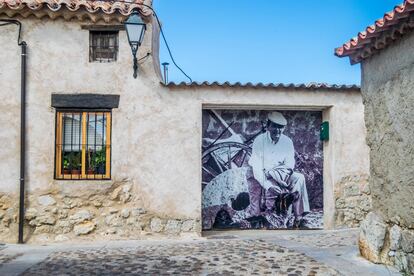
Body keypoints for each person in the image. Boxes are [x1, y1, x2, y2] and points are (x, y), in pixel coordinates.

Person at [247, 111, 310, 227]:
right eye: (274, 126)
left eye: (281, 127)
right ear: (268, 127)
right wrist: (268, 185)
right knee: (256, 188)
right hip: (261, 173)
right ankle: (257, 218)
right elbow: (256, 166)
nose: (278, 130)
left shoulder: (287, 142)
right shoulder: (259, 141)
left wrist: (281, 179)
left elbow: (290, 164)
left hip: (280, 174)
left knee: (299, 178)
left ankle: (298, 218)